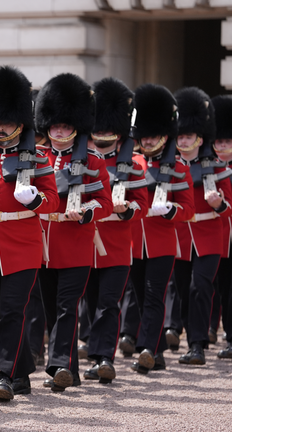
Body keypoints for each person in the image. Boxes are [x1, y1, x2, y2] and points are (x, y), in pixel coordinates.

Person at [0, 65, 59, 401]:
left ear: (20, 123)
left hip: (22, 242)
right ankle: (21, 371)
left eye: (5, 123)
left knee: (12, 309)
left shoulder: (37, 158)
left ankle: (5, 375)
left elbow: (52, 202)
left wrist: (35, 199)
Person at [35, 73, 112, 392]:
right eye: (55, 126)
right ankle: (71, 370)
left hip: (76, 242)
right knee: (53, 310)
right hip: (44, 246)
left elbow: (104, 203)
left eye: (65, 127)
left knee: (68, 307)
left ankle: (59, 366)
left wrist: (86, 212)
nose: (60, 132)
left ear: (75, 127)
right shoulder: (38, 159)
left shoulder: (93, 161)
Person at [81, 77, 148, 384]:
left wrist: (126, 211)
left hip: (118, 242)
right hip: (86, 239)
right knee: (89, 301)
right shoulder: (82, 161)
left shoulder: (133, 163)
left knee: (109, 302)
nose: (104, 134)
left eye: (110, 129)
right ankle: (91, 349)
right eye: (100, 128)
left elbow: (141, 204)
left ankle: (104, 356)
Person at [127, 83, 195, 375]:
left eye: (154, 135)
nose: (149, 140)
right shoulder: (132, 163)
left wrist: (170, 210)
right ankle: (157, 350)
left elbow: (188, 209)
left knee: (155, 295)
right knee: (141, 296)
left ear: (164, 136)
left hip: (162, 241)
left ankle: (145, 349)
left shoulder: (179, 168)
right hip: (135, 240)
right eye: (145, 135)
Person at [171, 87, 232, 366]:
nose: (183, 140)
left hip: (209, 235)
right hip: (182, 237)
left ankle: (198, 344)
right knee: (183, 290)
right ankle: (189, 336)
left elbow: (231, 206)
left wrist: (218, 203)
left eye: (188, 136)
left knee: (200, 286)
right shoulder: (169, 168)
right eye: (180, 135)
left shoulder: (218, 168)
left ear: (199, 137)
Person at [211, 94, 232, 360]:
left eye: (227, 141)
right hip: (221, 235)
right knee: (223, 287)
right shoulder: (212, 170)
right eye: (219, 141)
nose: (223, 145)